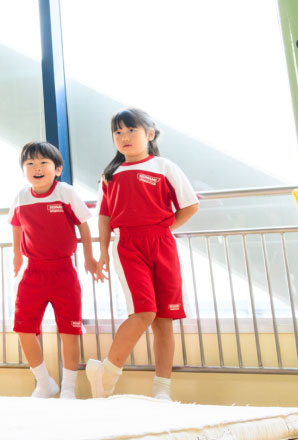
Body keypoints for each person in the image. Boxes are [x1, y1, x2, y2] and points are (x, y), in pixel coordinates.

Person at [85, 108, 199, 401]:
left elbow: (189, 206)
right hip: (127, 245)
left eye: (130, 130)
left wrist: (163, 228)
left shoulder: (164, 167)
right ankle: (107, 374)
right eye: (118, 132)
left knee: (164, 319)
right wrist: (103, 251)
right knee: (144, 312)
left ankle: (162, 390)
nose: (124, 137)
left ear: (149, 134)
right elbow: (104, 216)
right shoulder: (110, 175)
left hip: (162, 244)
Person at [9, 141, 103, 399]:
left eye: (43, 163)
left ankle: (69, 388)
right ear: (23, 169)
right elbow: (16, 225)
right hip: (32, 273)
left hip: (63, 272)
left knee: (69, 331)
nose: (36, 168)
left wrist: (89, 258)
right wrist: (16, 256)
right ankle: (44, 382)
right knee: (24, 329)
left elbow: (83, 225)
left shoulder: (65, 192)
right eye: (30, 163)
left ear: (57, 169)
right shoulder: (21, 196)